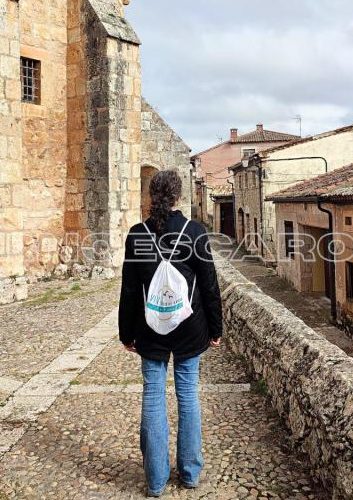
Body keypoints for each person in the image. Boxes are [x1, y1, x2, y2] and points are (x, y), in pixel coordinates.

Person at [119, 170, 223, 497]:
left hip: (150, 327)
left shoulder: (137, 235)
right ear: (178, 197)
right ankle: (189, 473)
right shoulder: (194, 232)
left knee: (153, 395)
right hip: (190, 327)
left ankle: (155, 480)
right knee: (188, 396)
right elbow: (209, 285)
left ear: (152, 196)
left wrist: (126, 333)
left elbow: (130, 290)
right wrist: (216, 329)